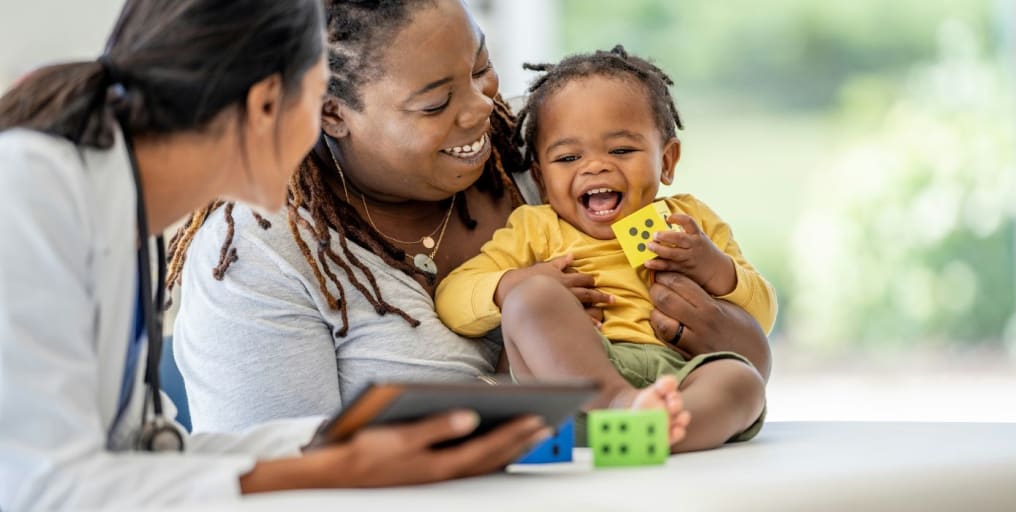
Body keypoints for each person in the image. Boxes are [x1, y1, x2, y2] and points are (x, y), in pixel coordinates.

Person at [0, 1, 551, 509]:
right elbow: (40, 487)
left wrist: (352, 443)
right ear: (267, 104)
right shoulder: (30, 191)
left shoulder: (123, 212)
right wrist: (340, 469)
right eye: (318, 102)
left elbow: (146, 457)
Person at [170, 0, 772, 437]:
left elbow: (746, 347)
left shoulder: (554, 157)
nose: (483, 106)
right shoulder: (261, 258)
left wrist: (718, 321)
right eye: (436, 102)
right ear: (331, 113)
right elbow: (275, 476)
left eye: (481, 66)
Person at [435, 46, 776, 452]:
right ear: (542, 180)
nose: (594, 166)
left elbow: (762, 313)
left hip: (680, 380)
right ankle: (622, 407)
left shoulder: (688, 221)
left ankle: (657, 431)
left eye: (621, 151)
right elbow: (453, 300)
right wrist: (513, 285)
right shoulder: (537, 227)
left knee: (742, 381)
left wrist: (713, 267)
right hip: (576, 387)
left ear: (667, 161)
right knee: (531, 298)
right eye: (568, 156)